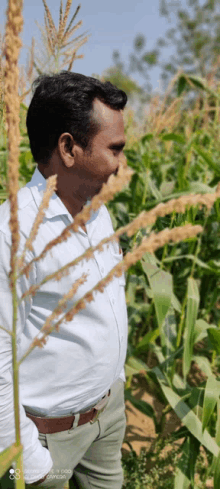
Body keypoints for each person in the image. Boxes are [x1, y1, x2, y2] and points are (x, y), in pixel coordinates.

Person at [0, 72, 128, 489]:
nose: (122, 165)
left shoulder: (98, 207)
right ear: (69, 148)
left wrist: (115, 383)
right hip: (45, 440)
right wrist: (28, 463)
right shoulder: (14, 233)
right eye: (115, 150)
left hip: (106, 417)